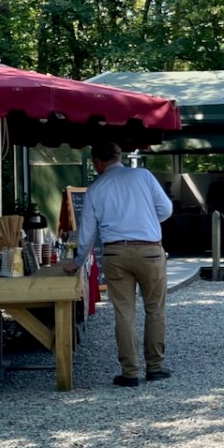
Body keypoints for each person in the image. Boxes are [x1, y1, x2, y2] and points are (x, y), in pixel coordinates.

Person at [63, 142, 173, 387]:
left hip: (115, 253)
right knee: (155, 310)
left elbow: (87, 232)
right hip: (150, 251)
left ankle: (130, 372)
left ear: (97, 162)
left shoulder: (95, 189)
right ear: (119, 156)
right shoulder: (143, 176)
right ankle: (155, 368)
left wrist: (78, 261)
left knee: (124, 312)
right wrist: (146, 221)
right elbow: (166, 209)